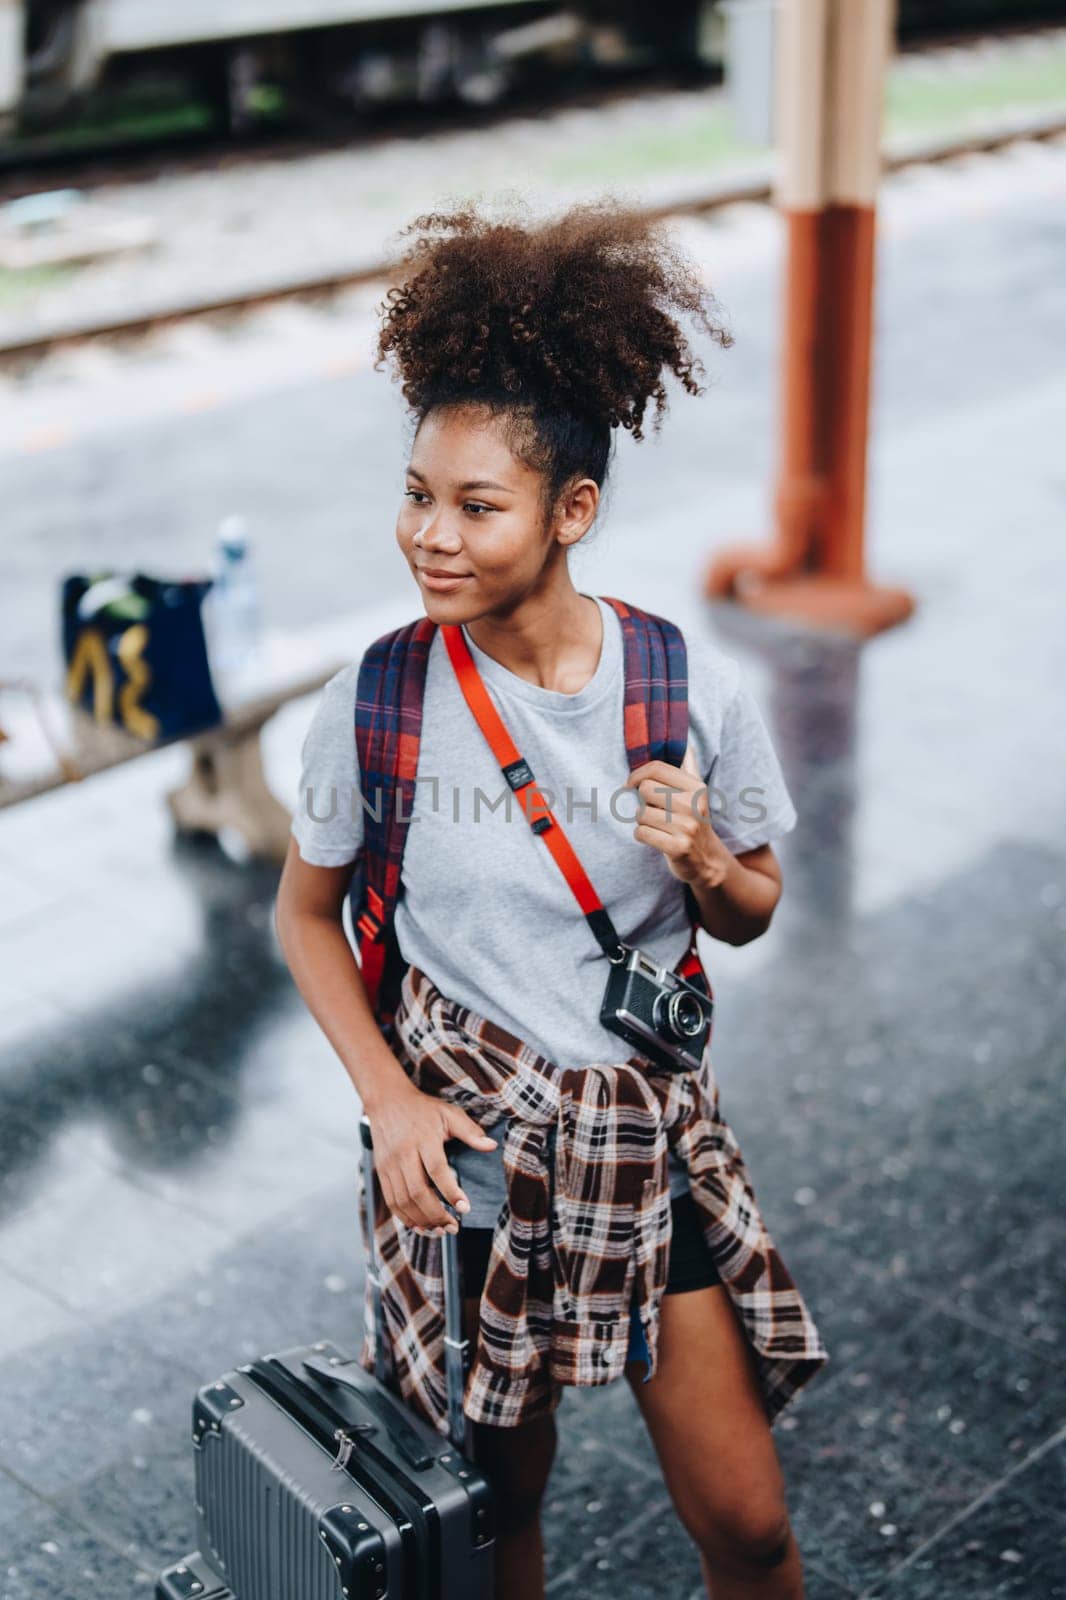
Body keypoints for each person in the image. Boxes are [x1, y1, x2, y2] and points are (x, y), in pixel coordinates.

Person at [275, 198, 828, 1600]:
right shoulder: (381, 697)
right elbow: (304, 915)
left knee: (749, 1525)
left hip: (641, 1144)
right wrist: (389, 1100)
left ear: (571, 510)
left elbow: (754, 908)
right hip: (468, 1161)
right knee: (495, 1508)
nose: (429, 535)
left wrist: (705, 864)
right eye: (416, 493)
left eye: (475, 506)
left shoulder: (684, 686)